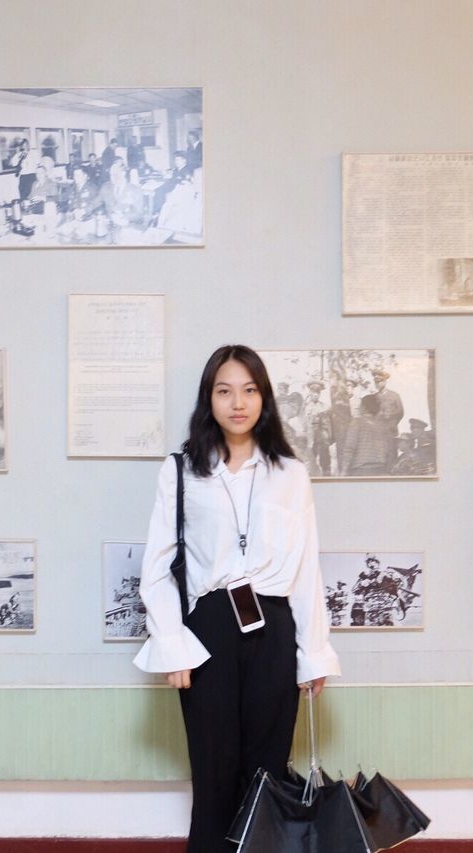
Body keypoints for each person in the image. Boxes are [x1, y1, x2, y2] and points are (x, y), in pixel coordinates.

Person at [133, 344, 339, 853]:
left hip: (273, 626)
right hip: (209, 629)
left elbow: (306, 568)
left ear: (264, 399)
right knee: (214, 769)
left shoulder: (291, 474)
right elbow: (156, 568)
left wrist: (312, 653)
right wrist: (172, 643)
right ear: (209, 399)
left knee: (266, 771)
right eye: (225, 391)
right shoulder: (181, 470)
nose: (238, 402)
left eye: (249, 390)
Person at [339, 393, 392, 477]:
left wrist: (344, 470)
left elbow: (350, 447)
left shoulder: (357, 422)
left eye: (360, 406)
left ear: (364, 407)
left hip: (362, 470)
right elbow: (389, 449)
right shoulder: (382, 425)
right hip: (381, 469)